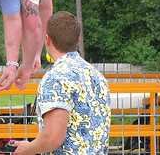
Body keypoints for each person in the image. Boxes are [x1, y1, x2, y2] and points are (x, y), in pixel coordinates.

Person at [11, 11, 111, 154]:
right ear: (77, 40)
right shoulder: (98, 77)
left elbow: (53, 137)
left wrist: (28, 149)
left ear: (47, 39)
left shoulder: (55, 79)